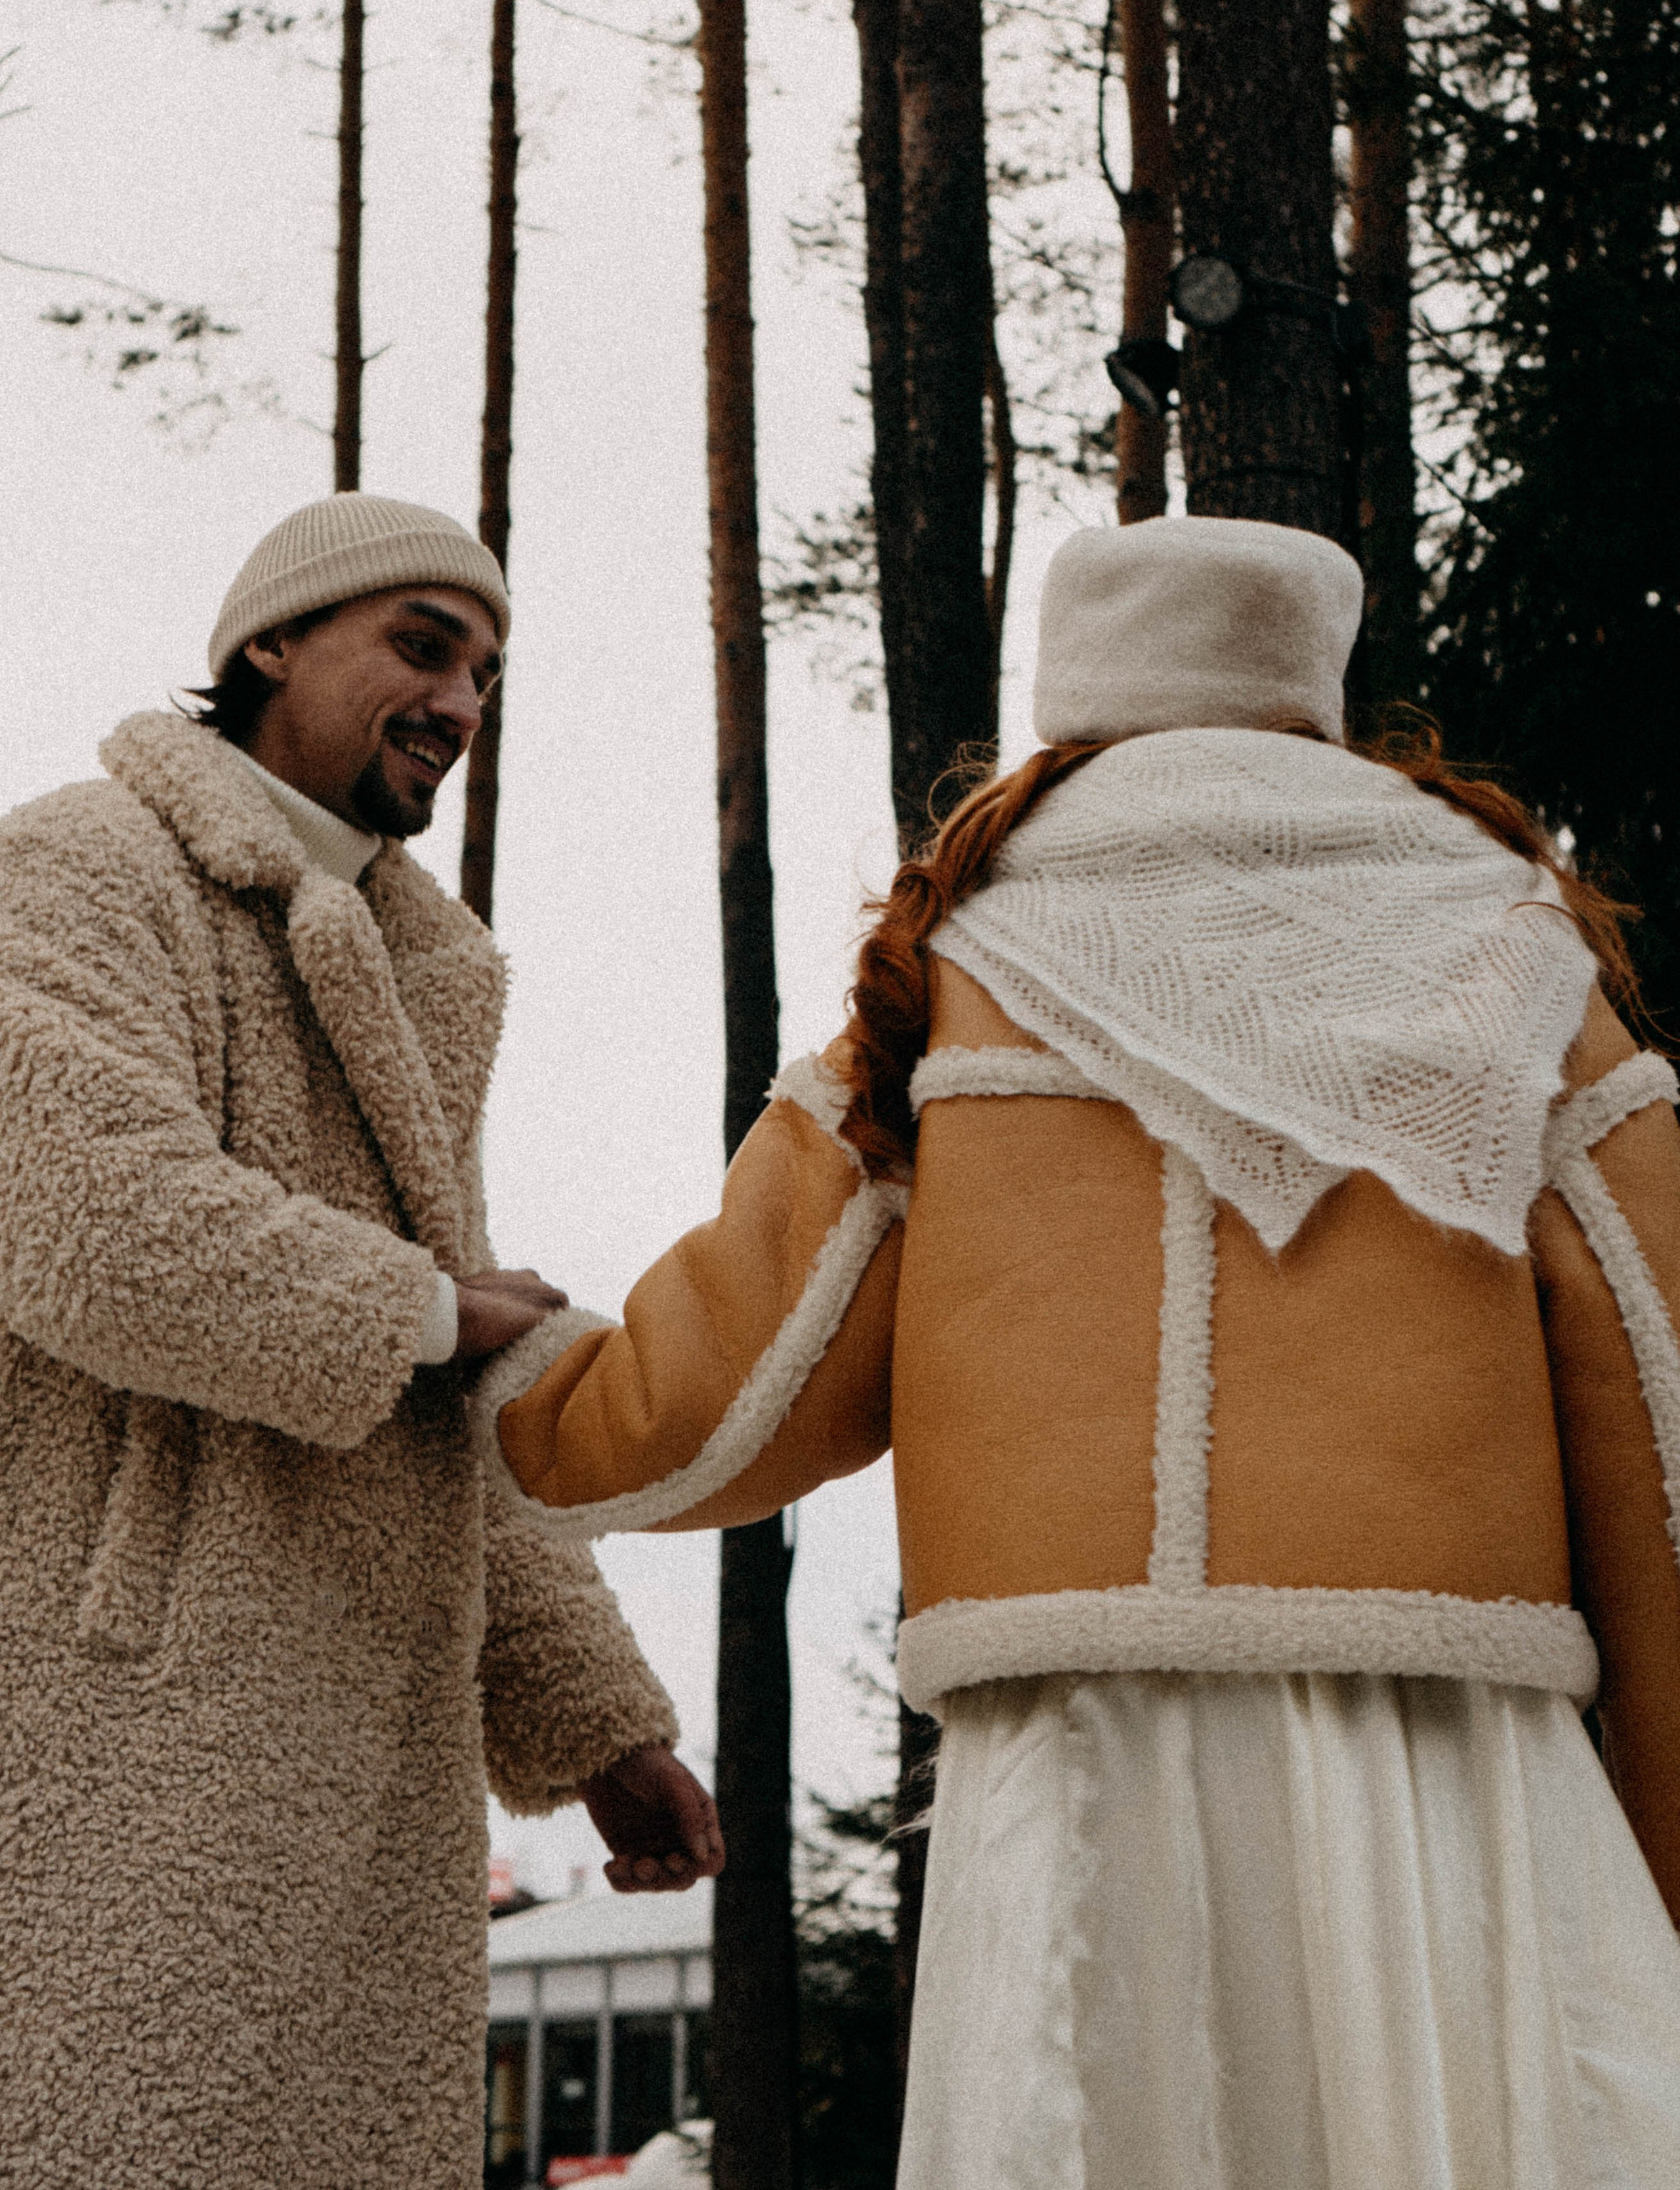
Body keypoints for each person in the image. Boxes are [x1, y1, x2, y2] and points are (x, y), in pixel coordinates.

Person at [478, 515, 1680, 2190]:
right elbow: (1655, 1388)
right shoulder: (1517, 946)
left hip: (1085, 1733)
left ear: (1075, 687)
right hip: (1447, 1749)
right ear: (1307, 681)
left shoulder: (953, 960)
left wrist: (515, 1386)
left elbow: (727, 1386)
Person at [0, 492, 722, 2190]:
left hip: (361, 1760)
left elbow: (447, 1394)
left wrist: (605, 1732)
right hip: (126, 1719)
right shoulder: (81, 865)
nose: (462, 702)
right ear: (268, 645)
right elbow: (72, 1202)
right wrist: (418, 1306)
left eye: (484, 670)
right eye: (420, 646)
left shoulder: (412, 971)